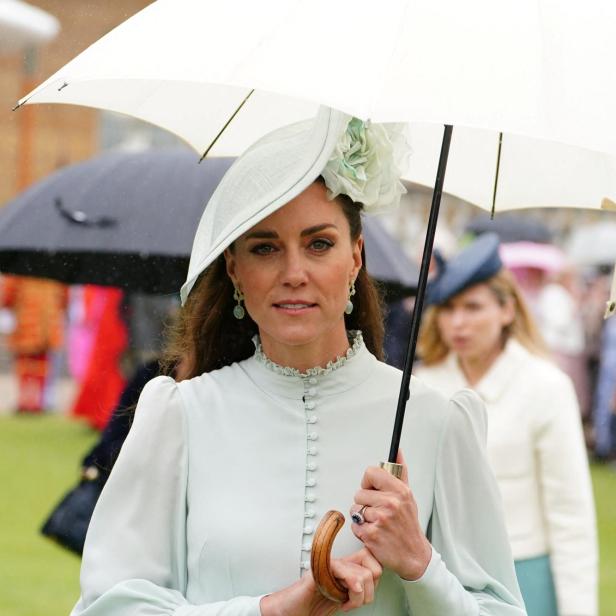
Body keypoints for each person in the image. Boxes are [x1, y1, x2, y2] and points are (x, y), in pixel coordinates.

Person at [71, 108, 525, 615]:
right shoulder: (181, 414)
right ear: (235, 268)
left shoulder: (436, 420)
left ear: (355, 257)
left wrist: (421, 563)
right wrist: (273, 608)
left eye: (319, 244)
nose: (293, 272)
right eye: (265, 248)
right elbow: (110, 608)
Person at [416, 234, 598, 616]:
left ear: (507, 311)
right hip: (437, 578)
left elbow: (571, 517)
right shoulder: (421, 385)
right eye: (448, 308)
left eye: (473, 307)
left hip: (524, 578)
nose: (458, 322)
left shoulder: (546, 386)